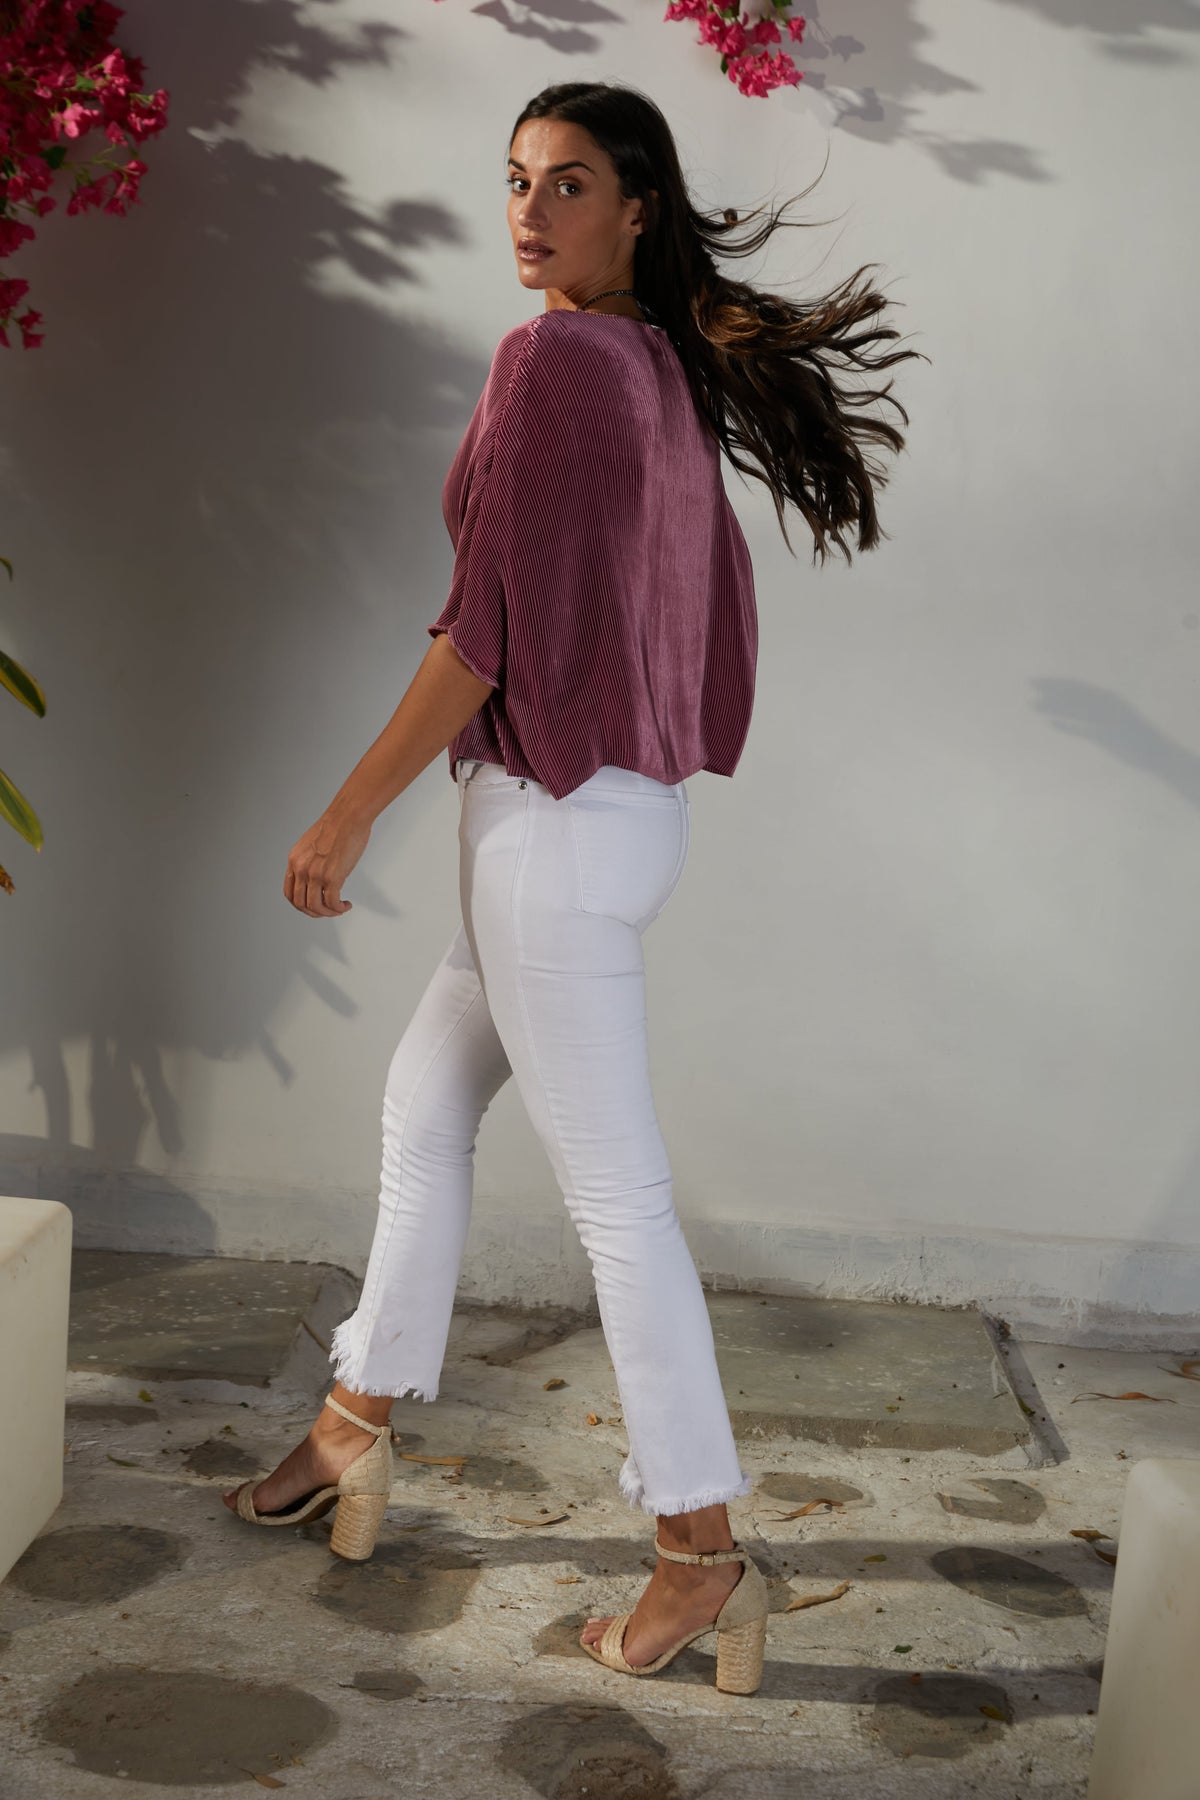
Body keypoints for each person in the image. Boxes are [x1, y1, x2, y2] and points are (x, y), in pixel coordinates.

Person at [224, 80, 923, 1693]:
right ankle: (352, 1423)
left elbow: (483, 635)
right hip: (615, 820)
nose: (532, 211)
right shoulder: (660, 368)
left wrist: (343, 817)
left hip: (546, 829)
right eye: (519, 179)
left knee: (619, 1207)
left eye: (572, 182)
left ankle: (699, 1552)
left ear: (639, 208)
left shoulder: (553, 363)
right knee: (422, 1107)